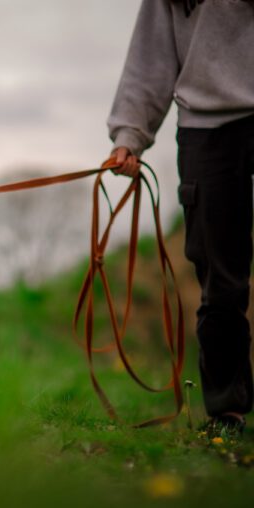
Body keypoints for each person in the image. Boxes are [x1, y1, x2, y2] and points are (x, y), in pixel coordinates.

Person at [106, 0, 254, 434]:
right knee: (219, 278)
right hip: (206, 129)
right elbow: (150, 55)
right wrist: (130, 134)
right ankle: (226, 411)